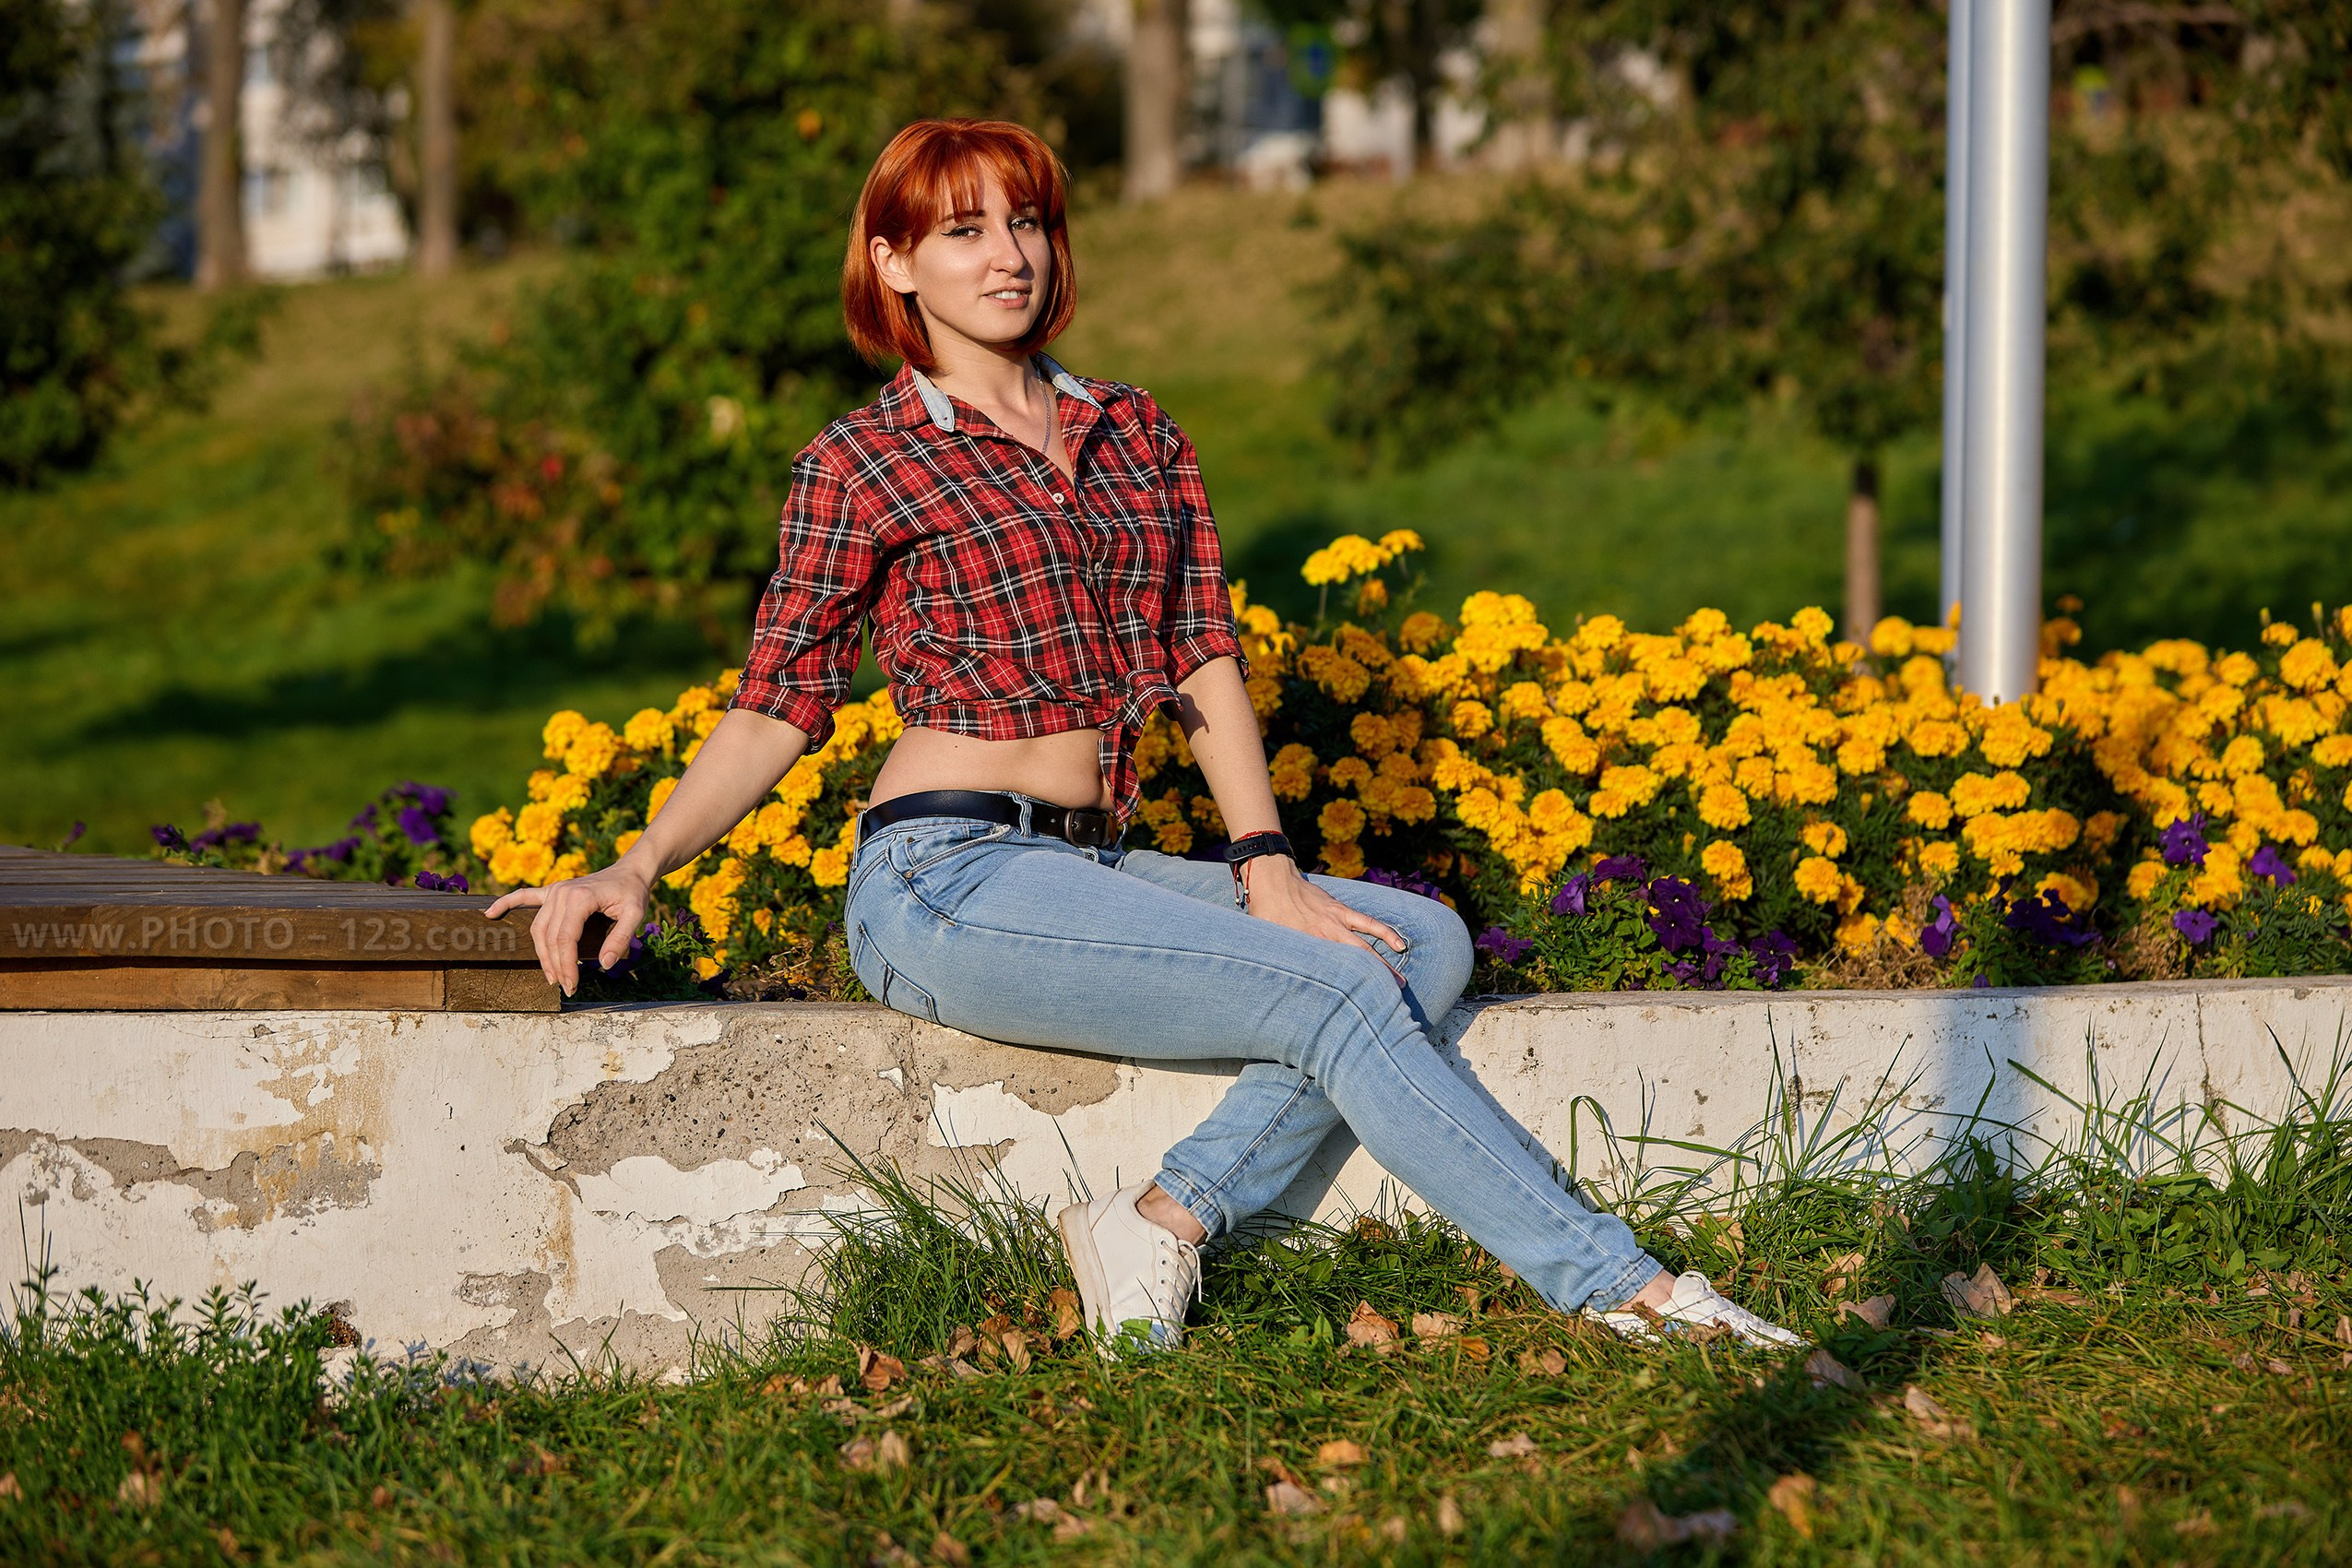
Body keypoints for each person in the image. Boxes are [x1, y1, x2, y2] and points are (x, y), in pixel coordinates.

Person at [487, 118, 1801, 1356]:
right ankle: (1622, 1288)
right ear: (893, 263)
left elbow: (1200, 657)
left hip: (1095, 864)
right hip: (943, 882)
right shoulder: (861, 461)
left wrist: (1263, 862)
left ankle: (1162, 1217)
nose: (1006, 255)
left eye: (1026, 222)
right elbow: (781, 693)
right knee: (1340, 987)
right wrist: (640, 860)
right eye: (959, 232)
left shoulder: (1133, 431)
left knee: (1422, 940)